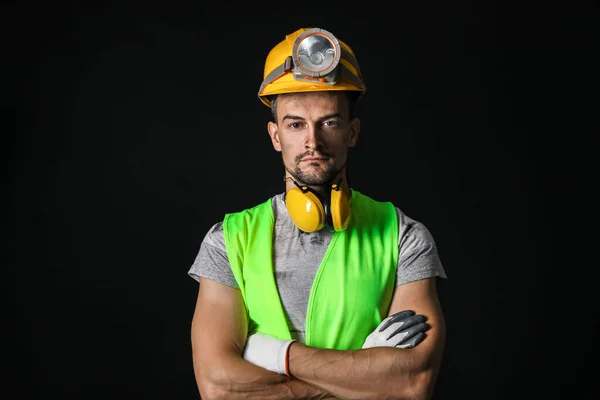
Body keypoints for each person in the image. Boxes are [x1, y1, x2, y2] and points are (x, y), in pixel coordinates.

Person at [189, 27, 448, 400]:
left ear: (352, 132)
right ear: (276, 136)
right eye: (296, 124)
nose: (313, 141)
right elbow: (218, 388)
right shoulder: (228, 240)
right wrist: (364, 370)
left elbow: (410, 385)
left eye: (329, 122)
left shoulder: (403, 236)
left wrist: (274, 355)